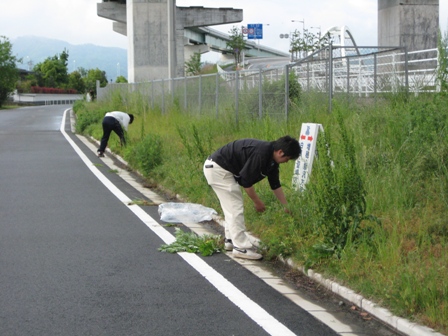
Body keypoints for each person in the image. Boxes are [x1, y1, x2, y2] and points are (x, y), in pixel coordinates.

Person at [203, 136, 301, 260]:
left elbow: (275, 184)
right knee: (235, 208)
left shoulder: (271, 160)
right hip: (219, 169)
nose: (286, 162)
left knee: (231, 207)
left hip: (218, 169)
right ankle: (240, 248)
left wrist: (285, 206)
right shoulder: (261, 154)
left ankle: (230, 240)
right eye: (287, 159)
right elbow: (246, 181)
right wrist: (257, 202)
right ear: (280, 152)